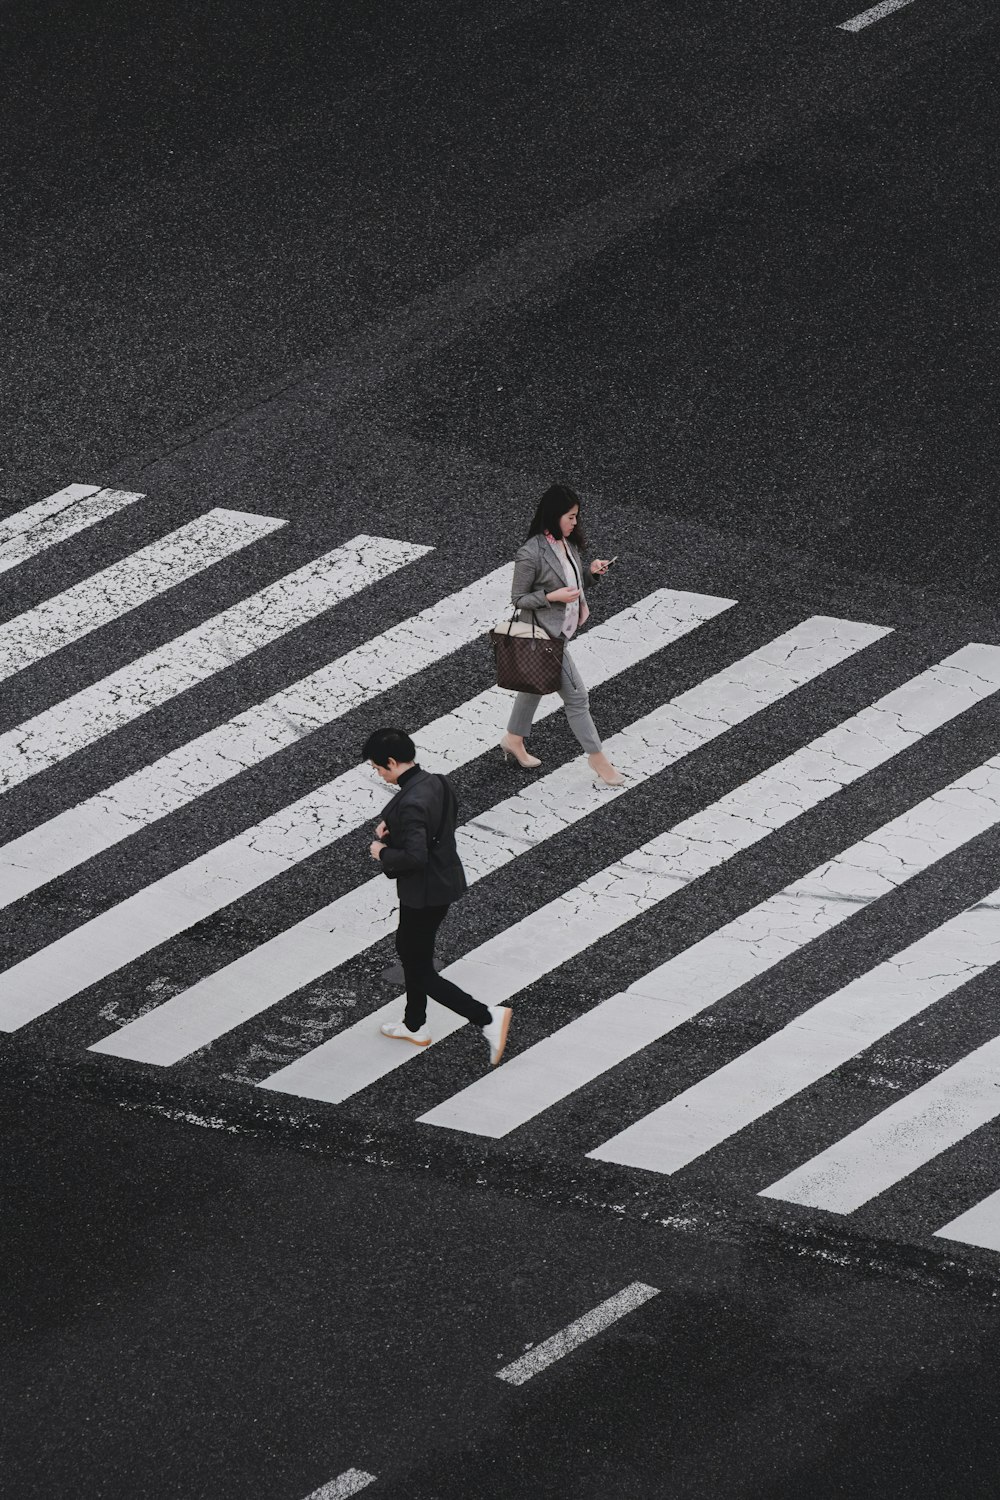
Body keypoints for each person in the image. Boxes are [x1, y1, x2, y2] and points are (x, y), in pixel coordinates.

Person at [363, 726, 512, 1062]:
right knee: (412, 950)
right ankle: (415, 1025)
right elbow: (440, 820)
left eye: (377, 768)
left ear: (390, 761)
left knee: (417, 967)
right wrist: (394, 827)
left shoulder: (412, 803)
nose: (378, 774)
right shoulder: (437, 781)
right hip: (444, 881)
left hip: (424, 891)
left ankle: (487, 1017)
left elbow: (415, 856)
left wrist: (381, 851)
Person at [501, 483, 625, 786]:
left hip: (561, 631)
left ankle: (513, 738)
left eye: (576, 516)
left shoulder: (566, 544)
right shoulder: (531, 553)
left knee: (534, 685)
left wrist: (592, 574)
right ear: (554, 515)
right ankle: (598, 759)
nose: (575, 522)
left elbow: (573, 584)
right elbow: (518, 599)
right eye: (570, 516)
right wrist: (551, 597)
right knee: (578, 698)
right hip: (545, 637)